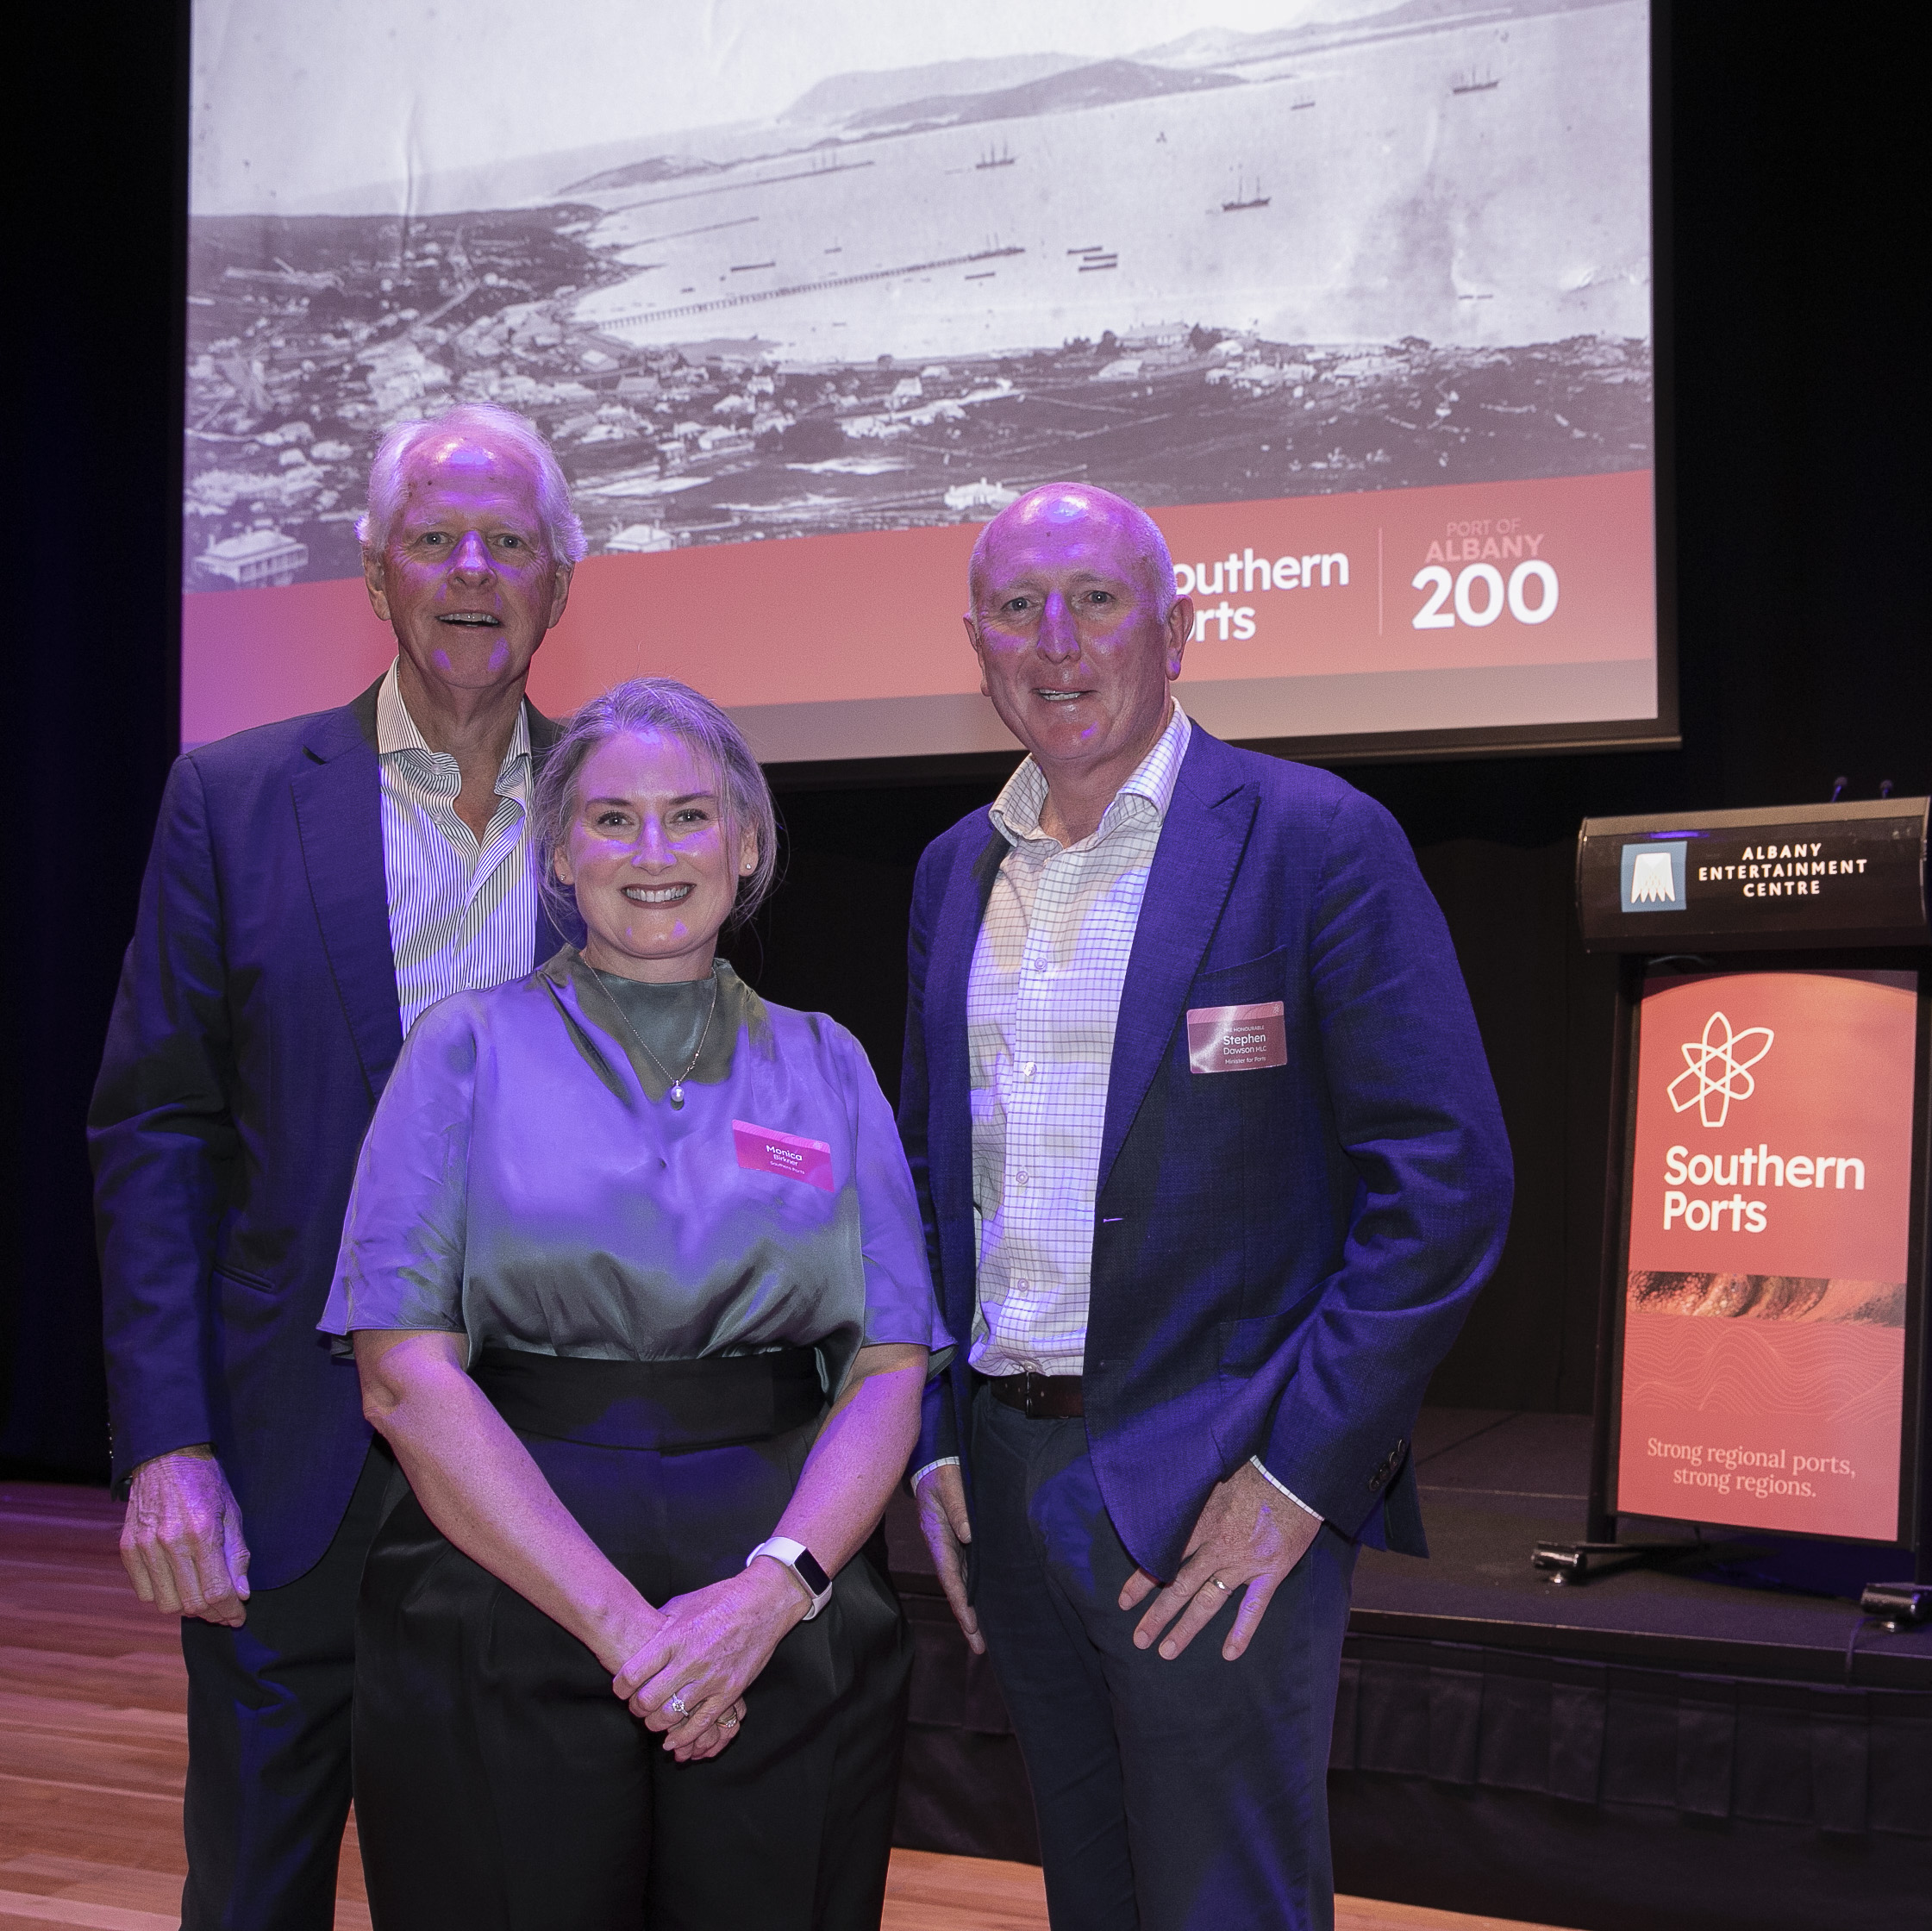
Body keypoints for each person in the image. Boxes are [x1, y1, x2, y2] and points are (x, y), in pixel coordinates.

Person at [902, 484, 1513, 1929]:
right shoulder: (952, 870)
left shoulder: (1312, 838)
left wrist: (1301, 1476)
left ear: (1179, 629)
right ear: (975, 646)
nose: (1056, 643)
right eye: (1016, 608)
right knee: (1091, 1894)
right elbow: (941, 1185)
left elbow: (1445, 1179)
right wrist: (934, 1443)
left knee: (1222, 1904)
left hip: (1218, 1479)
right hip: (1005, 1472)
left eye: (1097, 600)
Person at [321, 677, 951, 1929]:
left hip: (780, 1605)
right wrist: (633, 1634)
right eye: (611, 820)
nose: (653, 853)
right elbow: (401, 1374)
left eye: (690, 816)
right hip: (504, 1581)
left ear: (749, 844)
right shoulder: (461, 1050)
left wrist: (770, 1593)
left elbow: (890, 1368)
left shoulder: (829, 1063)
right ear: (558, 851)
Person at [90, 402, 584, 1928]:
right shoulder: (233, 801)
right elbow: (154, 1130)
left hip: (545, 1460)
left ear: (561, 578)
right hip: (283, 1454)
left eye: (509, 539)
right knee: (254, 1891)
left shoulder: (626, 814)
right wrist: (167, 1443)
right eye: (434, 537)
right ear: (374, 572)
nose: (471, 568)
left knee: (511, 1890)